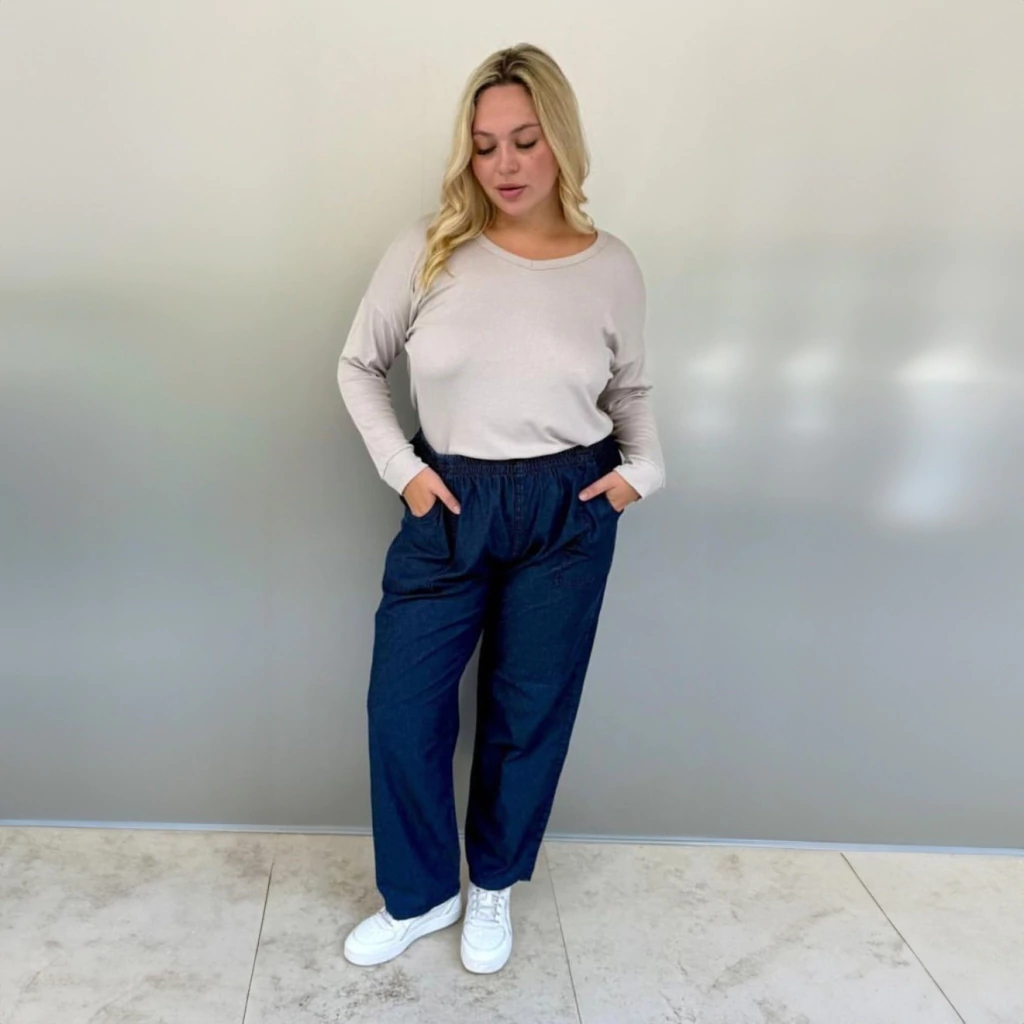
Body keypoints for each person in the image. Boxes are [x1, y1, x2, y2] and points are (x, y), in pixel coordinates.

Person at [336, 42, 665, 975]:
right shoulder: (428, 247)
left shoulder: (611, 266)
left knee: (530, 710)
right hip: (449, 500)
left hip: (568, 507)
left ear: (561, 140)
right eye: (485, 146)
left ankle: (491, 886)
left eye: (526, 140)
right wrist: (405, 470)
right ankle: (420, 893)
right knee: (403, 708)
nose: (506, 164)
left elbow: (631, 391)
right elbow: (358, 365)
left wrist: (644, 472)